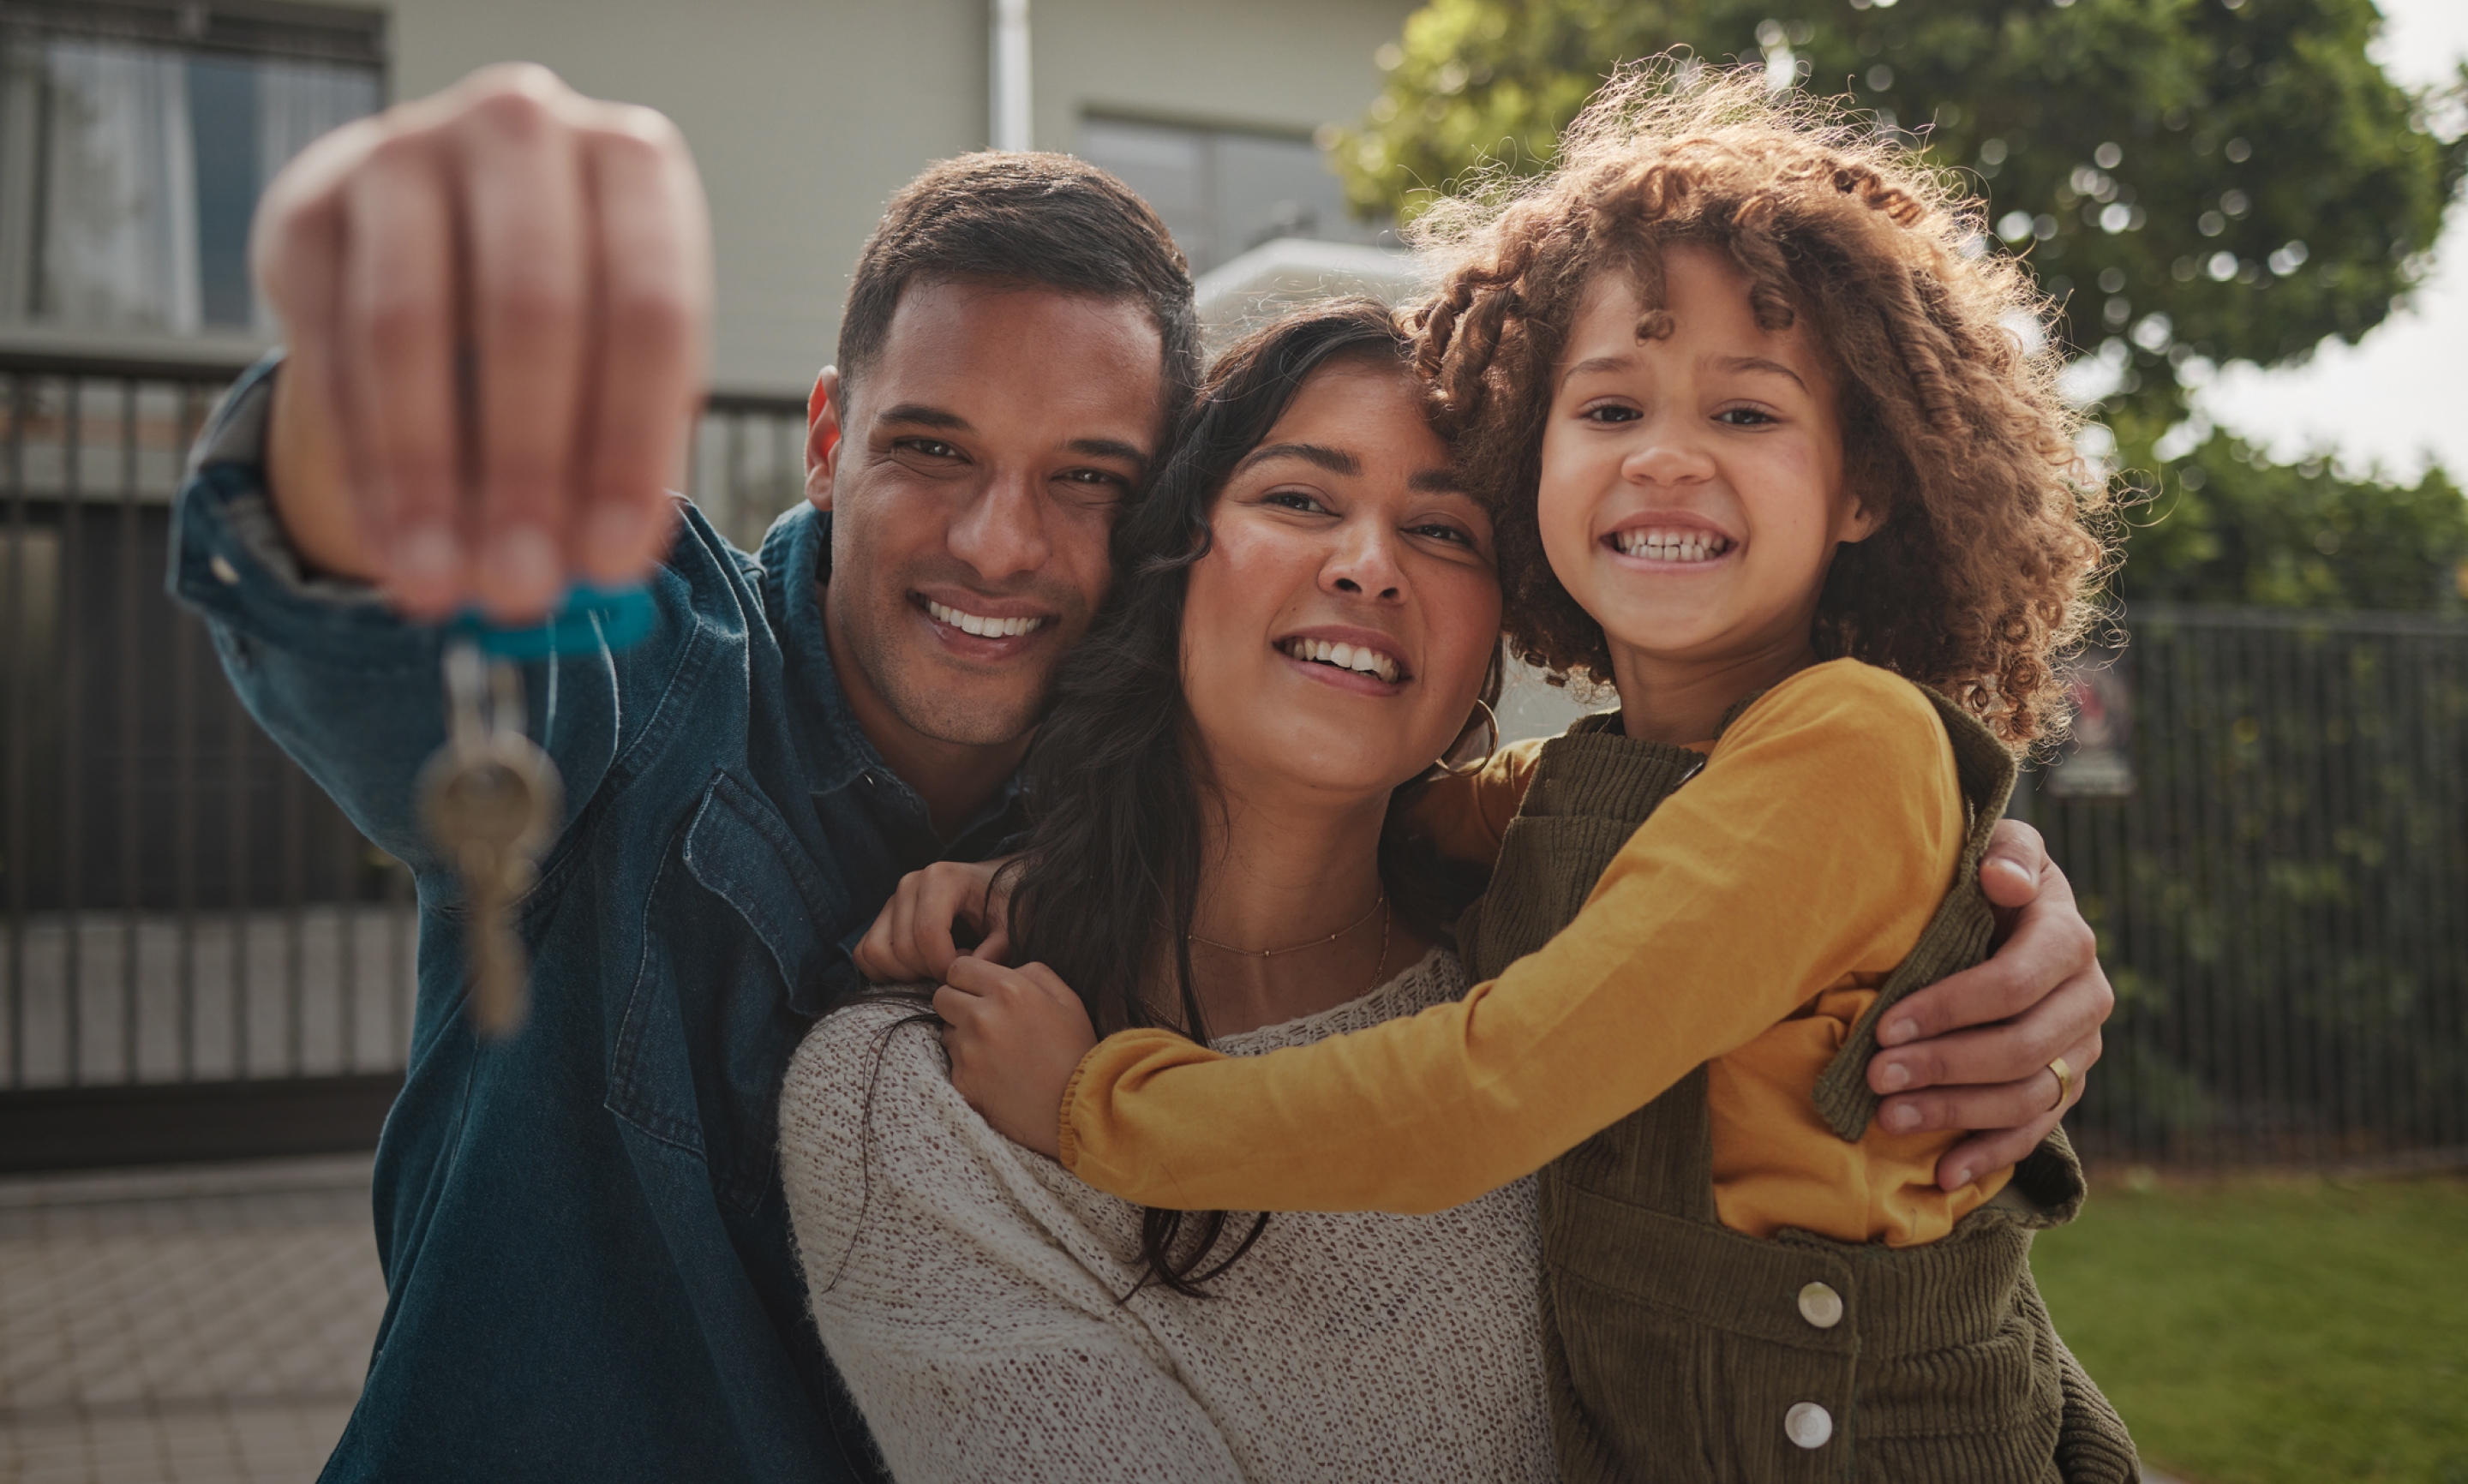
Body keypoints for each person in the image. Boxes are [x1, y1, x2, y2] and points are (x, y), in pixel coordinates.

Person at [176, 61, 2111, 1483]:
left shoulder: (1506, 922)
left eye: (1088, 477)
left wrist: (1991, 921)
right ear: (830, 434)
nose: (1003, 544)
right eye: (932, 449)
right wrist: (385, 387)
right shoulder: (692, 712)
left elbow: (1883, 1243)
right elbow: (408, 629)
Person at [926, 67, 2138, 1481]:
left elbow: (1486, 1093)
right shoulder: (1588, 779)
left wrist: (1099, 1108)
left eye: (1747, 415)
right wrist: (1035, 877)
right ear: (1528, 463)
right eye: (1611, 409)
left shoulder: (1853, 743)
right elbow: (1348, 831)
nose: (1669, 459)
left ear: (1864, 488)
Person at [782, 301, 1559, 1482]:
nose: (1368, 566)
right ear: (1170, 562)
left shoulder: (1575, 997)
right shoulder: (917, 1102)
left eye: (1445, 531)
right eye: (1299, 499)